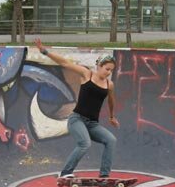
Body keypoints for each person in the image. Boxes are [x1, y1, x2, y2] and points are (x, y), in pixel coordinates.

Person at [34, 37, 119, 179]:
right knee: (84, 144)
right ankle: (65, 173)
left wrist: (111, 116)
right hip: (77, 120)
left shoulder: (109, 85)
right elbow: (65, 63)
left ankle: (104, 175)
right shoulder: (87, 74)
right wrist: (45, 52)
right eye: (107, 69)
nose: (108, 73)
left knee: (111, 140)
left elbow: (111, 100)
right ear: (99, 66)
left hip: (92, 124)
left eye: (111, 70)